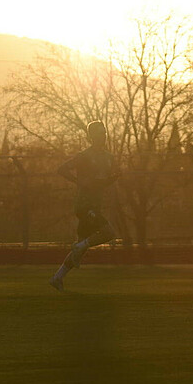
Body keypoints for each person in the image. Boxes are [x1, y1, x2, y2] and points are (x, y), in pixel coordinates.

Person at [50, 120, 119, 291]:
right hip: (84, 205)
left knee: (80, 247)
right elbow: (62, 169)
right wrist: (79, 181)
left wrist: (112, 179)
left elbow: (103, 181)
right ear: (91, 136)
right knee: (108, 233)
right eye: (99, 133)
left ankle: (57, 277)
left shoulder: (109, 158)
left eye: (104, 132)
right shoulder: (84, 156)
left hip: (96, 205)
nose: (103, 136)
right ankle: (79, 247)